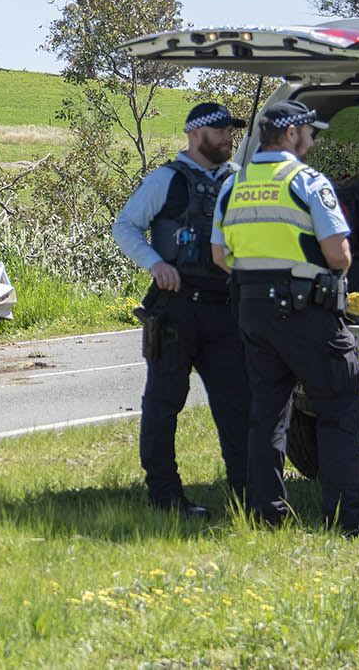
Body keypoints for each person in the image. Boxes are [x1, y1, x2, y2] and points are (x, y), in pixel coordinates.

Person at [211, 100, 359, 537]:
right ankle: (347, 522)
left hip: (253, 311)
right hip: (307, 312)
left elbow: (219, 255)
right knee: (337, 413)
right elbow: (337, 254)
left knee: (266, 415)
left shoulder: (235, 184)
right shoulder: (306, 181)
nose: (313, 138)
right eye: (310, 131)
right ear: (291, 134)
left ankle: (267, 516)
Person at [113, 102, 252, 517]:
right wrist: (155, 264)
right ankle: (165, 496)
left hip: (227, 309)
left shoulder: (240, 182)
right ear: (194, 134)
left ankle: (248, 495)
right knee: (163, 403)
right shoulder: (165, 180)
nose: (230, 137)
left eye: (232, 130)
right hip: (175, 309)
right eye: (221, 130)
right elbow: (125, 226)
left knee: (237, 406)